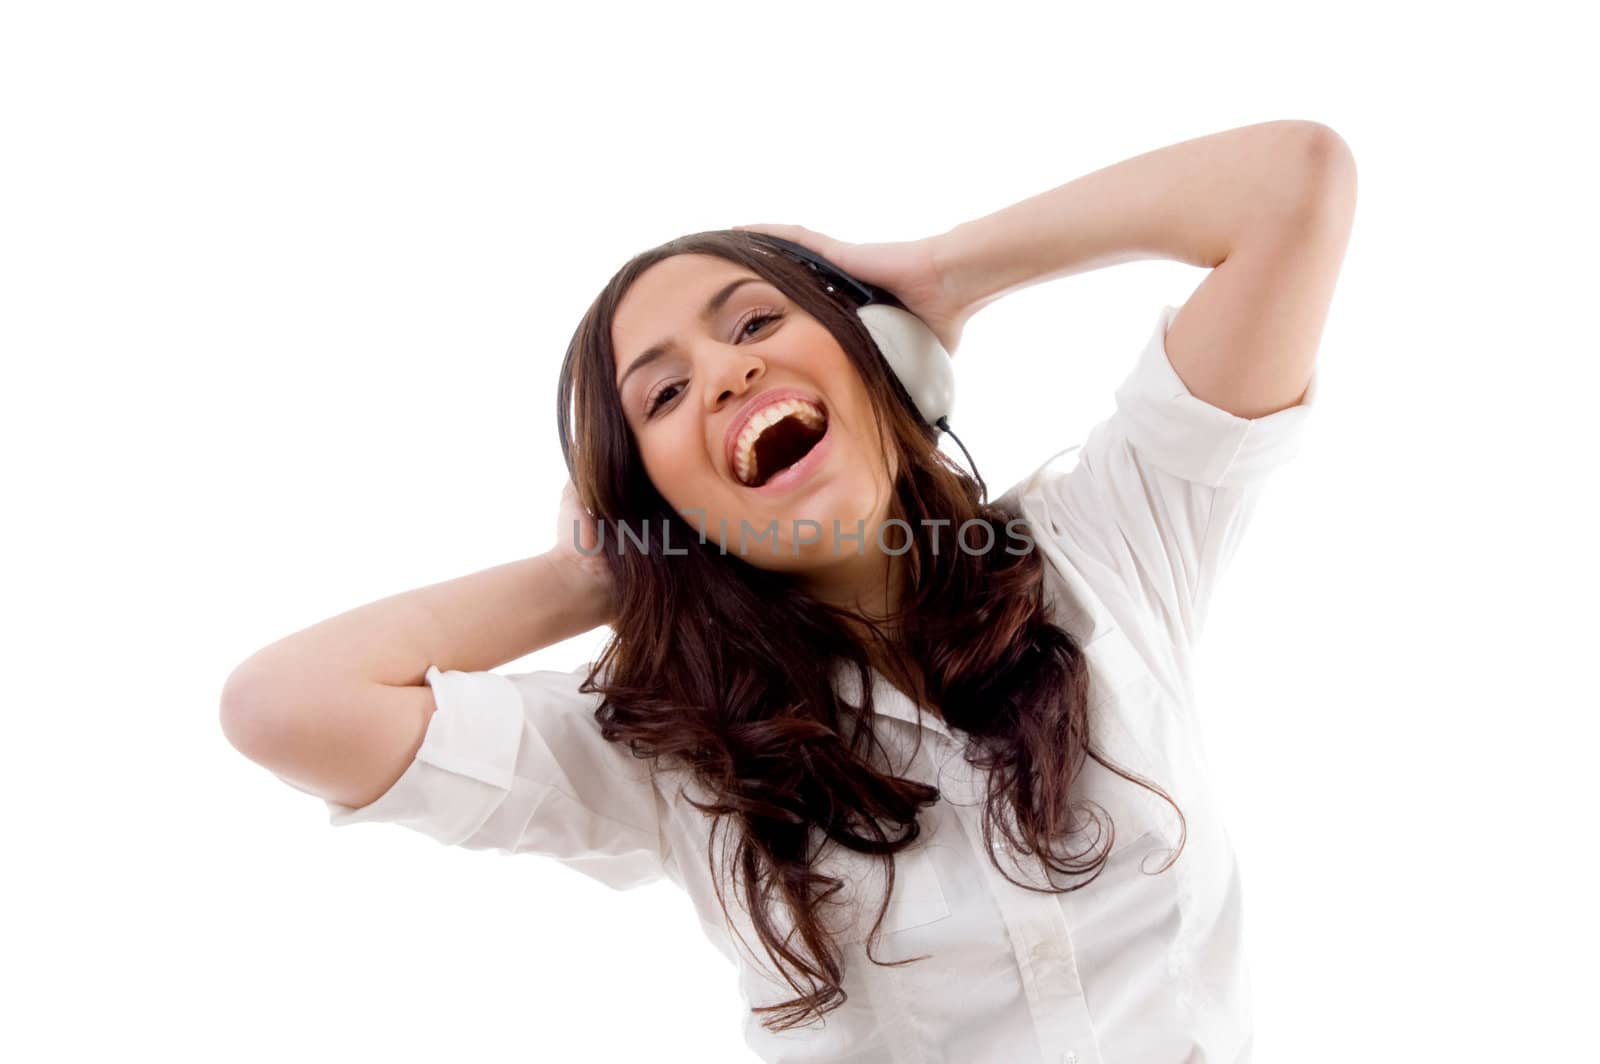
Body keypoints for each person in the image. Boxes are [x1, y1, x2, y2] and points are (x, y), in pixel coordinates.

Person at [221, 119, 1356, 1063]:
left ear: (880, 359)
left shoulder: (1106, 544)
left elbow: (1291, 183)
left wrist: (943, 272)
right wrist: (600, 565)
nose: (727, 371)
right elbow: (285, 702)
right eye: (664, 396)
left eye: (756, 322)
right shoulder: (667, 753)